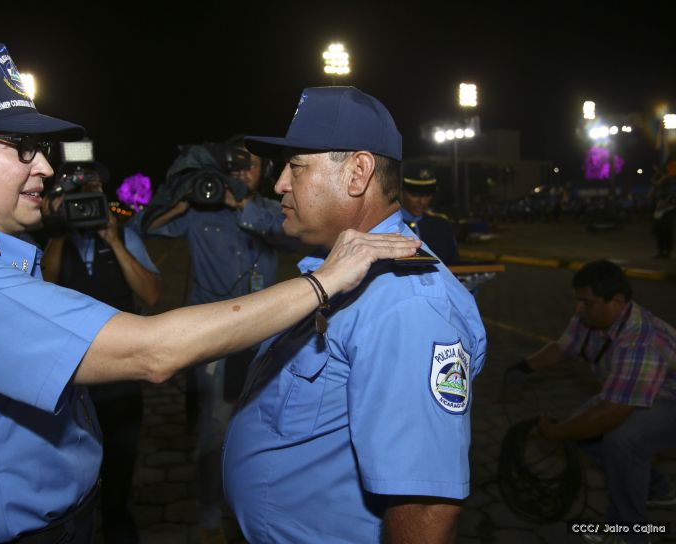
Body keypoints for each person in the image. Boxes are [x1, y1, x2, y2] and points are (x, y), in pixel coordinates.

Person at [0, 44, 421, 543]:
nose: (45, 165)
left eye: (41, 146)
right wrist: (324, 280)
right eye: (19, 146)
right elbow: (153, 351)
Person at [222, 86, 487, 543]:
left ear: (357, 172)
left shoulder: (406, 305)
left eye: (296, 167)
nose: (280, 183)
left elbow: (424, 506)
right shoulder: (336, 271)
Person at [146, 135, 299, 544]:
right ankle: (210, 516)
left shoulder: (270, 210)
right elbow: (148, 229)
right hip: (214, 338)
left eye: (248, 165)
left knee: (268, 424)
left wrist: (240, 205)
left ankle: (259, 505)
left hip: (264, 337)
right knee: (215, 433)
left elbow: (291, 237)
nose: (240, 172)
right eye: (233, 165)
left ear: (263, 171)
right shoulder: (200, 210)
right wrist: (186, 196)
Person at [505, 260, 676, 544]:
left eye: (587, 303)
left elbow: (612, 413)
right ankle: (657, 488)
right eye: (578, 301)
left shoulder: (641, 339)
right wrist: (524, 367)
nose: (578, 309)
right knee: (583, 430)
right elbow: (562, 348)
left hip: (669, 401)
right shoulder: (591, 318)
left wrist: (556, 432)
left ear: (617, 301)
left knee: (622, 440)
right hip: (638, 394)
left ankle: (629, 533)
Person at [40, 164, 160, 544]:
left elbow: (153, 295)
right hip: (68, 383)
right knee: (69, 478)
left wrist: (115, 241)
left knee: (119, 474)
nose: (85, 200)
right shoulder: (50, 238)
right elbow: (43, 288)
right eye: (78, 192)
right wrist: (59, 232)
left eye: (92, 190)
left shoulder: (123, 233)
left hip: (121, 382)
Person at [400, 163, 460, 265]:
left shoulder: (441, 226)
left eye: (427, 195)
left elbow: (453, 265)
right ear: (400, 192)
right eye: (415, 195)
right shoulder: (389, 225)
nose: (422, 201)